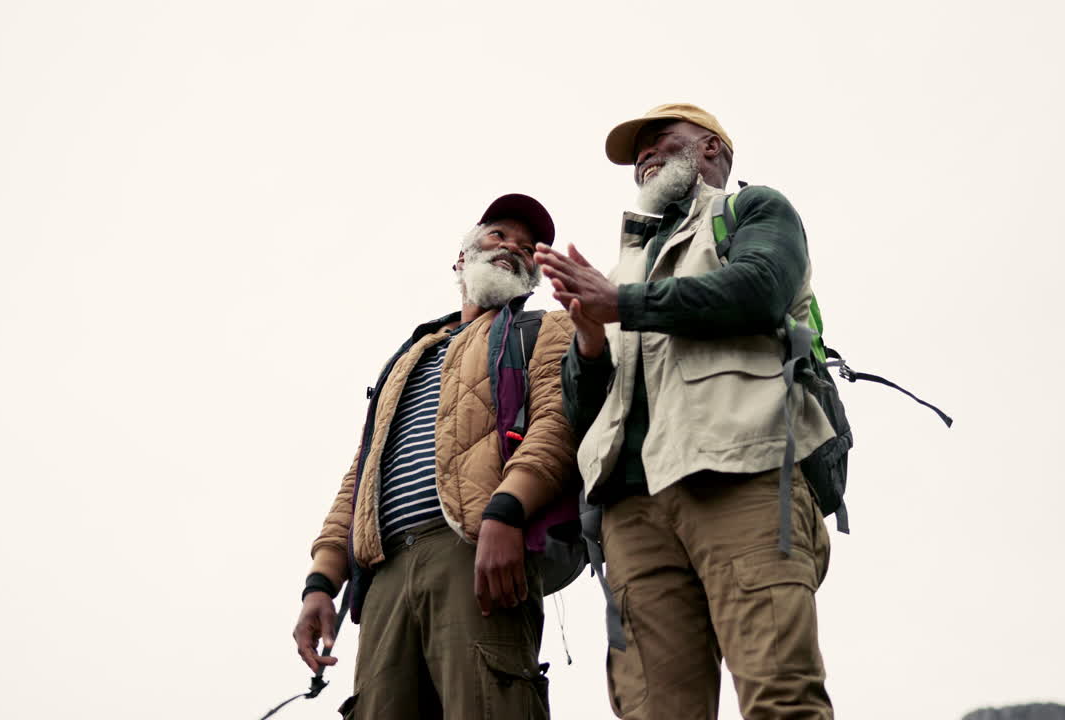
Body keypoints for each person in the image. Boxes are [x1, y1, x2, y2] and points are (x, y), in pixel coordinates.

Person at [534, 103, 836, 719]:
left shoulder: (752, 210)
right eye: (637, 153)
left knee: (779, 696)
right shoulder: (620, 270)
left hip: (740, 473)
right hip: (632, 515)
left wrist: (621, 303)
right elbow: (581, 407)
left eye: (662, 142)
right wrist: (590, 337)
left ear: (712, 153)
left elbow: (759, 289)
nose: (644, 156)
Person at [293, 194, 577, 719]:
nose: (514, 247)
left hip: (474, 551)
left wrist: (507, 511)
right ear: (462, 258)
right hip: (383, 577)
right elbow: (361, 476)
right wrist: (321, 583)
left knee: (489, 702)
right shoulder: (407, 357)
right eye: (499, 235)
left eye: (527, 246)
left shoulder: (546, 329)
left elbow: (556, 427)